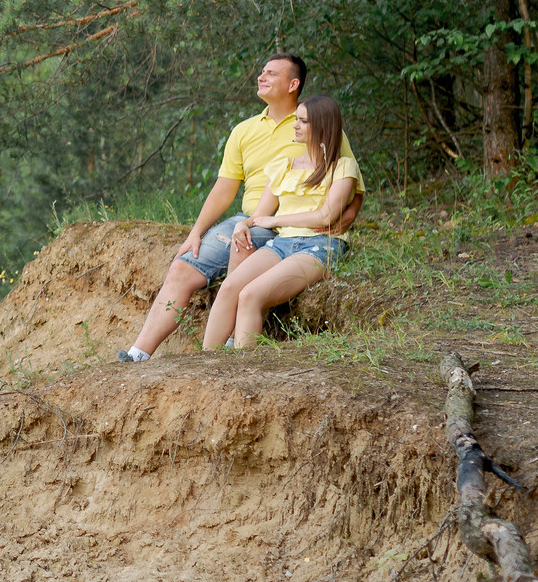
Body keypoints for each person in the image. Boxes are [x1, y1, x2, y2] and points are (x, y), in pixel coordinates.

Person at [118, 54, 353, 362]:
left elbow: (347, 177)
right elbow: (224, 189)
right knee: (182, 267)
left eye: (271, 73)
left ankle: (231, 347)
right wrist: (196, 232)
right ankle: (139, 354)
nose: (261, 76)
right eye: (262, 71)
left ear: (293, 84)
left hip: (296, 225)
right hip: (253, 218)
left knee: (240, 252)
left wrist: (345, 217)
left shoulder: (314, 123)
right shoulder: (244, 130)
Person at [202, 94, 360, 350]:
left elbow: (326, 216)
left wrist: (275, 219)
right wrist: (245, 224)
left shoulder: (343, 167)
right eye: (296, 119)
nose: (295, 125)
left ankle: (244, 372)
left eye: (303, 121)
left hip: (320, 245)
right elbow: (259, 214)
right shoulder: (283, 166)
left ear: (322, 126)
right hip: (283, 242)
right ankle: (205, 362)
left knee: (250, 295)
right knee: (231, 287)